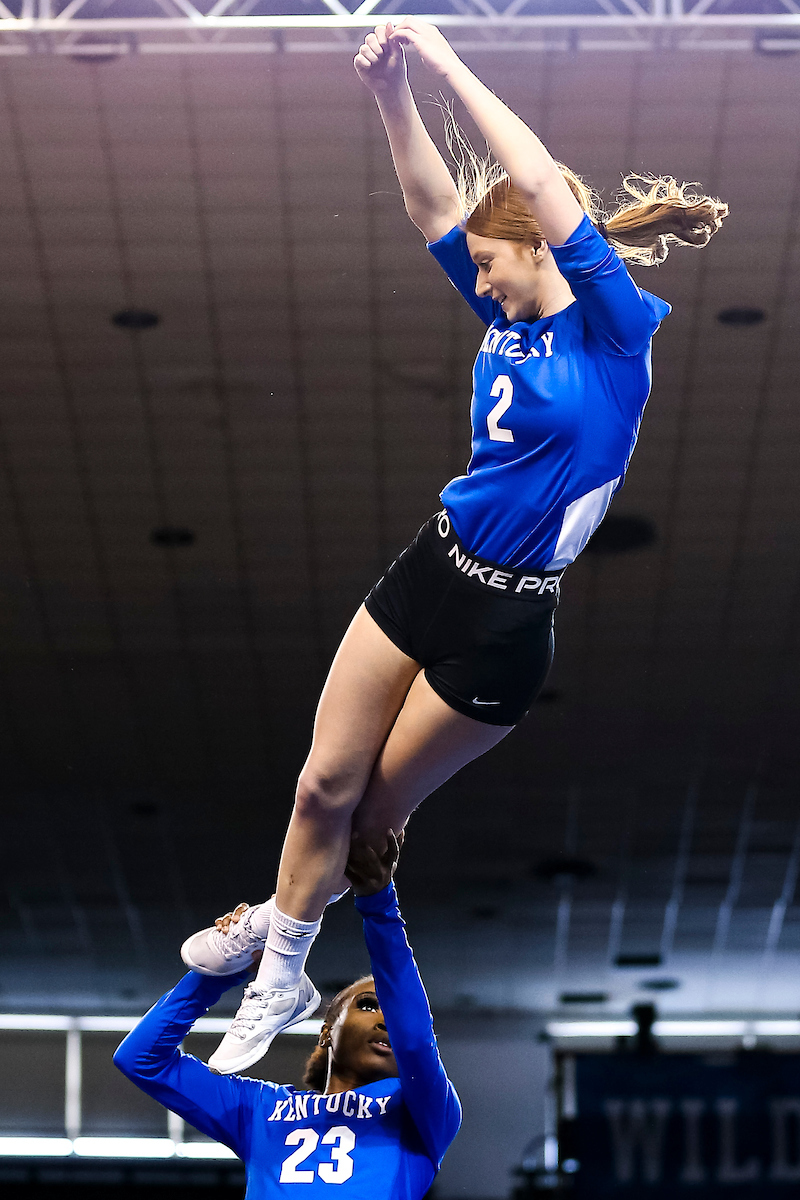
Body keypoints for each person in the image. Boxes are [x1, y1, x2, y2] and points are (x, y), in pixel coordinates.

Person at [180, 18, 728, 1073]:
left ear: (539, 247)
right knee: (318, 790)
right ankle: (280, 968)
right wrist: (390, 92)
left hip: (506, 623)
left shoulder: (613, 334)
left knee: (367, 823)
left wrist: (441, 62)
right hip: (432, 569)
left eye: (489, 265)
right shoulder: (506, 318)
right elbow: (435, 205)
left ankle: (269, 933)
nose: (478, 286)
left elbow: (537, 179)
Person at [114, 832, 461, 1200]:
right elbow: (142, 1060)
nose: (387, 1021)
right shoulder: (260, 1109)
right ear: (327, 1031)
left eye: (394, 1011)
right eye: (367, 1005)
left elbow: (414, 1040)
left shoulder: (424, 1110)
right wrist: (226, 965)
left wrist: (379, 905)